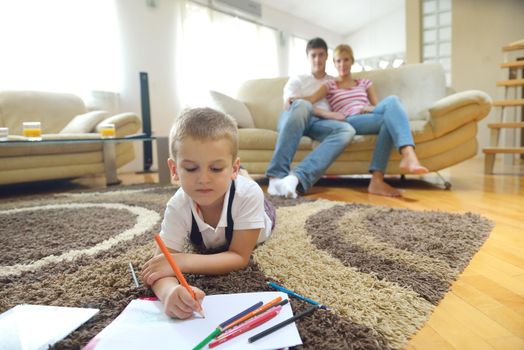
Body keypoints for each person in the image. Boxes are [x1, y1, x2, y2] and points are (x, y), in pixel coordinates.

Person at [141, 107, 275, 319]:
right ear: (175, 170)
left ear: (232, 168)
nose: (203, 179)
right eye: (192, 169)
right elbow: (160, 264)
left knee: (253, 193)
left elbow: (239, 257)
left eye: (215, 169)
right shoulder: (178, 205)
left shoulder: (248, 196)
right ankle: (234, 174)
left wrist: (182, 261)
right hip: (231, 191)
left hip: (258, 212)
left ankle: (243, 176)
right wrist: (169, 293)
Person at [299, 44, 428, 197]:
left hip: (369, 115)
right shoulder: (330, 85)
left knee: (390, 113)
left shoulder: (364, 83)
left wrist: (370, 108)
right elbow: (311, 99)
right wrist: (293, 99)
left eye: (346, 60)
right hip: (350, 120)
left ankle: (377, 181)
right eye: (338, 61)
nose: (342, 64)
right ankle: (408, 155)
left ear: (352, 61)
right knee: (393, 101)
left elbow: (377, 106)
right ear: (334, 64)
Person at [266, 37, 356, 199]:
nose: (317, 59)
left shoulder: (333, 82)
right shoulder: (298, 79)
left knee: (347, 130)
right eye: (313, 55)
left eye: (321, 55)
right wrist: (326, 113)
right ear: (308, 57)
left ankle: (296, 178)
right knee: (303, 105)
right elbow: (290, 104)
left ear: (327, 57)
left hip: (318, 125)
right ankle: (276, 177)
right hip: (295, 119)